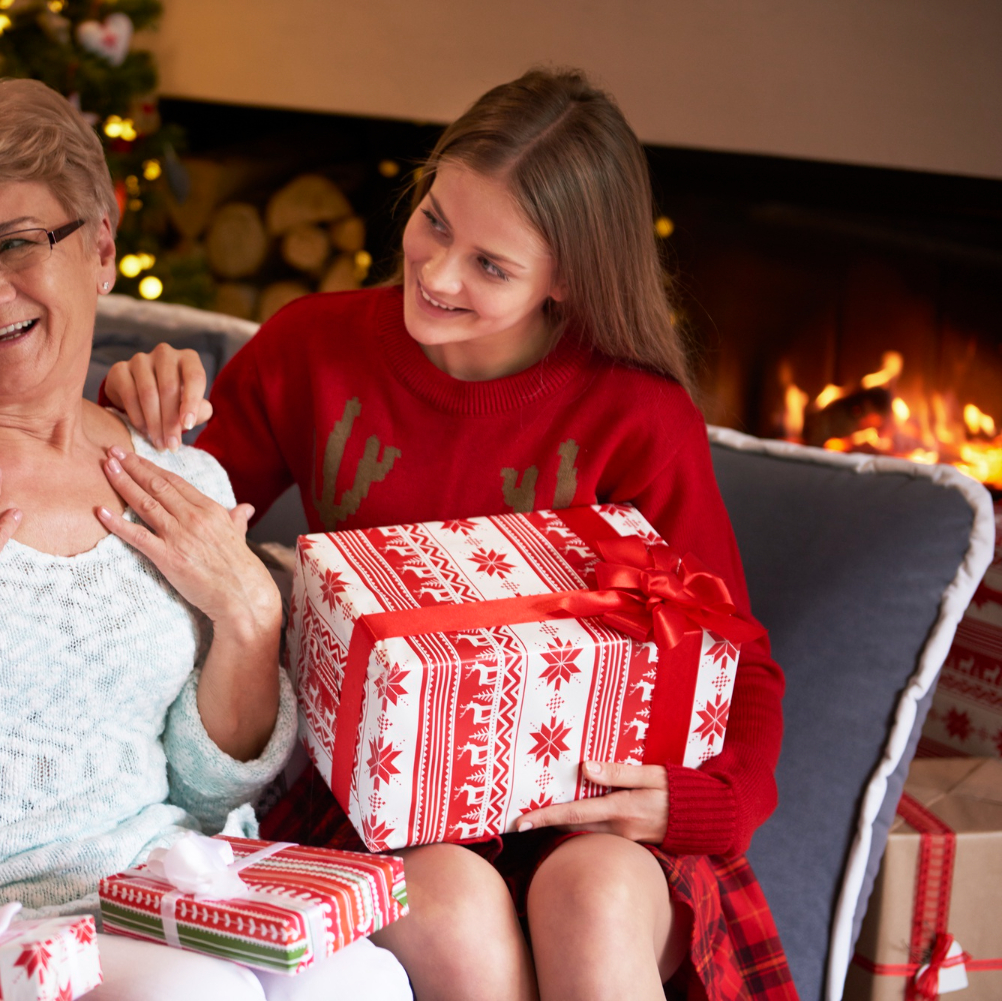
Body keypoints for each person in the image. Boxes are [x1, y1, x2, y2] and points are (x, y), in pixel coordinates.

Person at [102, 69, 797, 1001]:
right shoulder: (316, 347)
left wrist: (708, 801)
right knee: (450, 900)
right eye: (434, 221)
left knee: (590, 895)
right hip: (387, 805)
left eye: (491, 265)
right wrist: (132, 415)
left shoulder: (639, 417)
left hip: (584, 801)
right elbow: (173, 506)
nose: (434, 274)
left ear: (568, 279)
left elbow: (738, 659)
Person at [0, 79, 410, 1001]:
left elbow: (206, 791)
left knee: (360, 977)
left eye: (18, 243)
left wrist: (250, 615)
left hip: (151, 894)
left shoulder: (176, 476)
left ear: (101, 248)